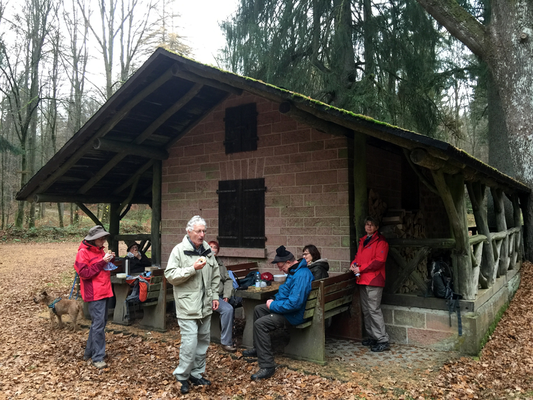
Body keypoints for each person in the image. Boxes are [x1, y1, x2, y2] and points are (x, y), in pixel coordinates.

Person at [164, 215, 220, 395]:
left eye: (204, 231)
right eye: (198, 231)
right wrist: (191, 269)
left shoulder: (207, 250)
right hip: (187, 305)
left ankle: (196, 374)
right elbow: (170, 276)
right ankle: (182, 376)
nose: (202, 235)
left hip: (205, 306)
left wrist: (215, 296)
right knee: (190, 343)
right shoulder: (179, 250)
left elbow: (215, 275)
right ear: (189, 232)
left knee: (203, 341)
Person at [242, 245, 314, 381]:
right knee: (259, 309)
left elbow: (294, 303)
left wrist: (274, 305)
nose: (280, 270)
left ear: (288, 262)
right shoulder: (294, 272)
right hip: (292, 311)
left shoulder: (301, 274)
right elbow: (285, 291)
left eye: (281, 266)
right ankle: (259, 348)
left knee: (260, 324)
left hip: (295, 315)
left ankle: (268, 366)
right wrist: (273, 299)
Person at [74, 225, 115, 369]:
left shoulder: (100, 251)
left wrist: (109, 260)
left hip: (104, 290)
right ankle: (98, 357)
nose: (103, 240)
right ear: (93, 239)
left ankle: (89, 353)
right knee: (98, 325)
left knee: (99, 324)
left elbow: (101, 268)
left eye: (104, 238)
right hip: (94, 293)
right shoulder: (83, 253)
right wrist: (103, 262)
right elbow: (84, 273)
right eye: (101, 238)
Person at [349, 216, 390, 352]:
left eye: (372, 225)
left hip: (374, 279)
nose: (369, 227)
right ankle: (373, 336)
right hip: (362, 279)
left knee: (373, 309)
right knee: (366, 310)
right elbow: (358, 257)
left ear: (376, 227)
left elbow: (379, 261)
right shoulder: (363, 240)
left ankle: (382, 339)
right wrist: (353, 265)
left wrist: (361, 268)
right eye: (367, 224)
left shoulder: (381, 242)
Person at [208, 240, 237, 353]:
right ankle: (226, 342)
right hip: (207, 297)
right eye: (210, 247)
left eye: (215, 247)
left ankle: (231, 336)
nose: (212, 249)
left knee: (234, 303)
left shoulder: (220, 264)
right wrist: (214, 297)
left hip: (220, 296)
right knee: (227, 309)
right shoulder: (203, 262)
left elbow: (228, 280)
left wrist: (227, 294)